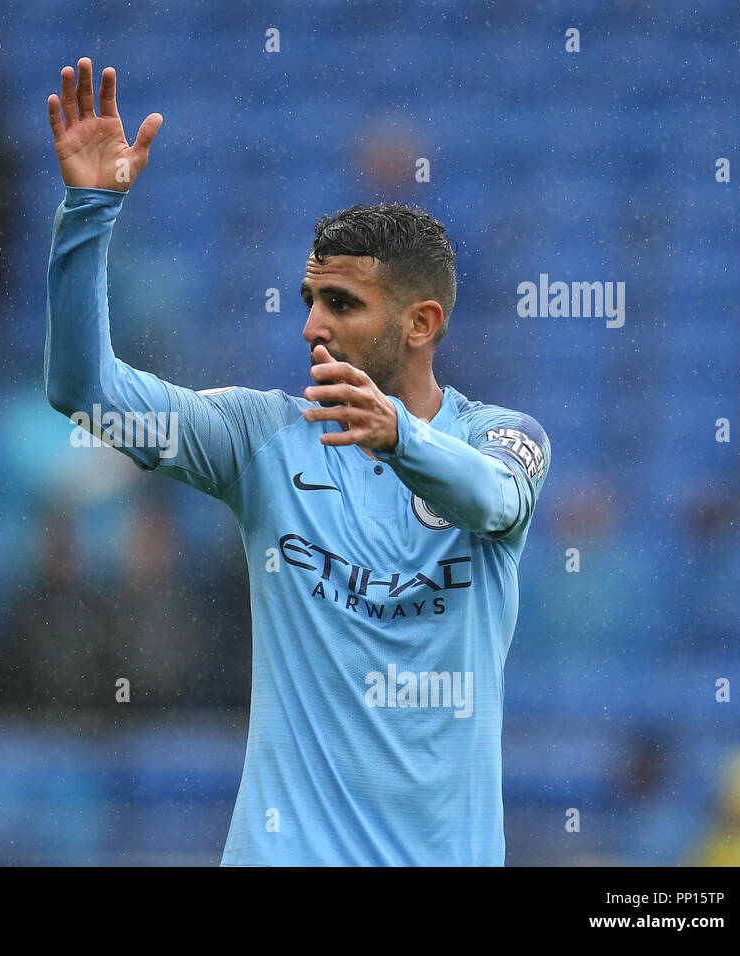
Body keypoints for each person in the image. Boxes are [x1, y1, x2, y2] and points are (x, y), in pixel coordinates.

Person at [42, 59, 552, 866]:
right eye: (308, 299)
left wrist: (399, 439)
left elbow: (496, 501)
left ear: (421, 323)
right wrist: (88, 210)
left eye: (342, 304)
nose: (312, 325)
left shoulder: (500, 437)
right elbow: (83, 389)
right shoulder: (259, 441)